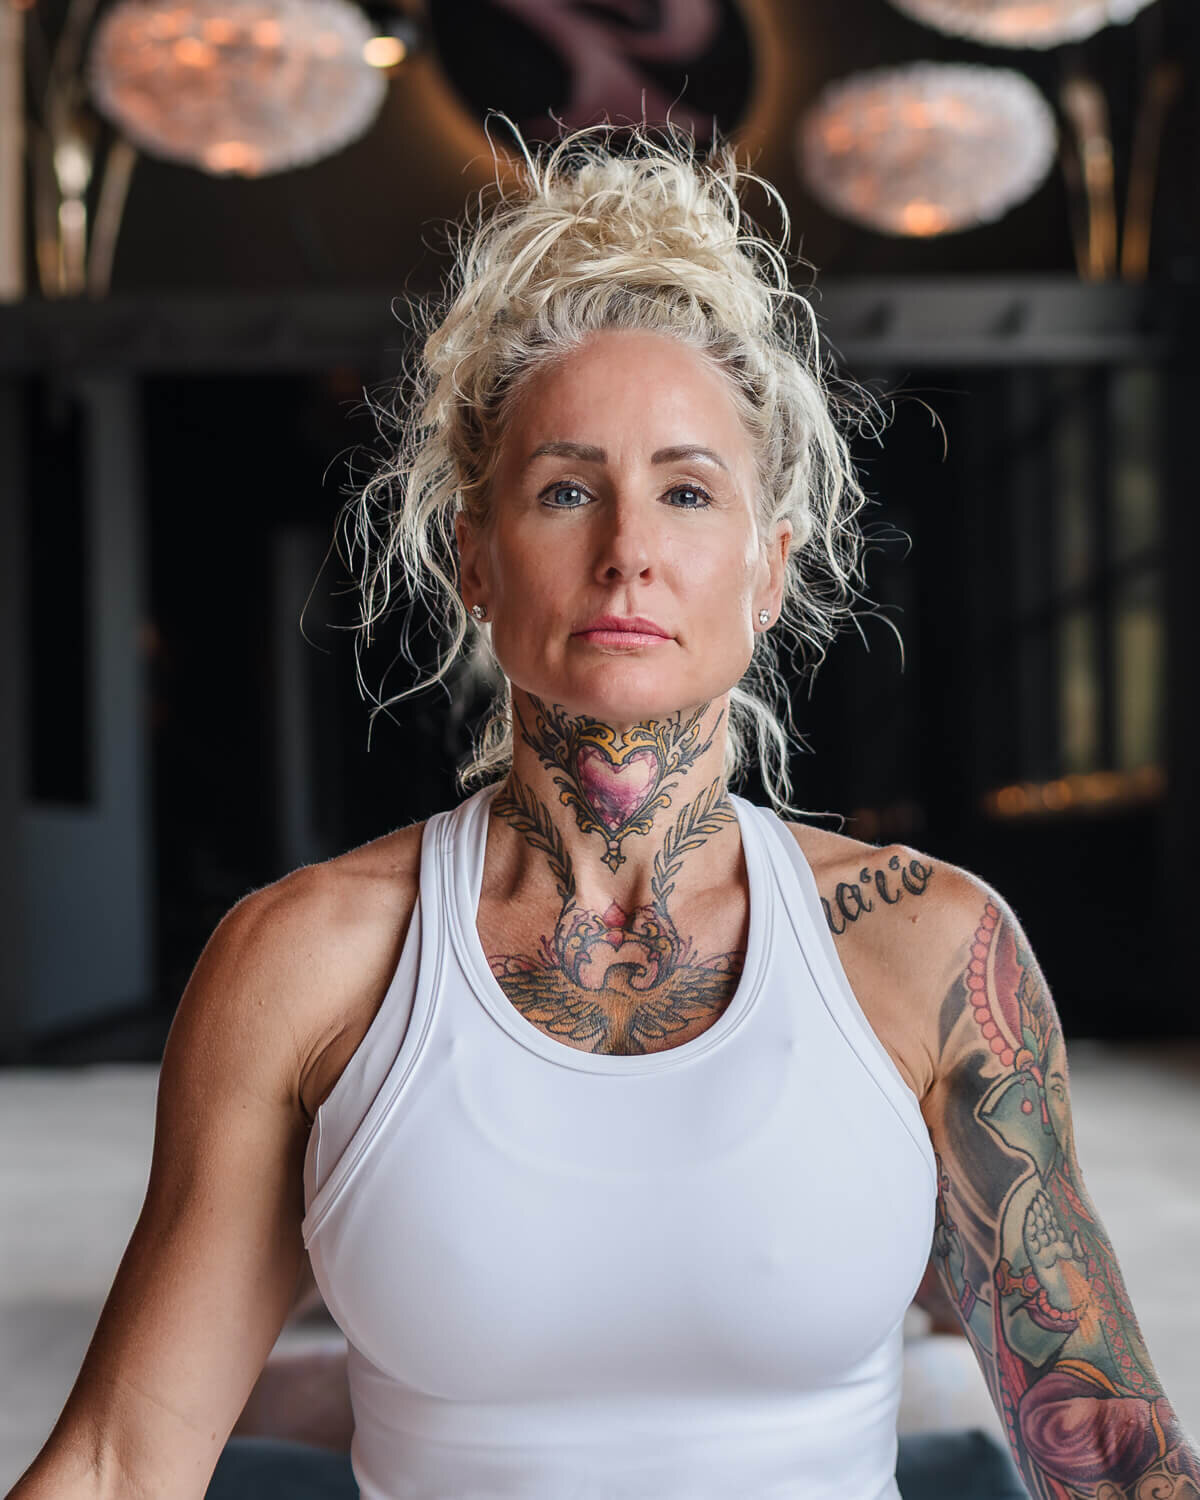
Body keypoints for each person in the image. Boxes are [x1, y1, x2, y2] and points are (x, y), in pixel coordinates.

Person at [10, 117, 1198, 1500]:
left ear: (768, 571)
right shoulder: (303, 961)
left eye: (686, 492)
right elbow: (116, 1463)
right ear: (472, 560)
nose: (629, 550)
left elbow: (1109, 1457)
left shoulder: (928, 949)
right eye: (566, 489)